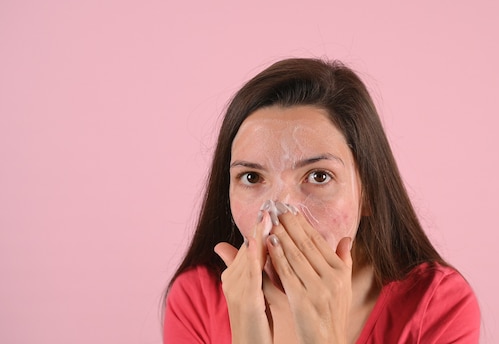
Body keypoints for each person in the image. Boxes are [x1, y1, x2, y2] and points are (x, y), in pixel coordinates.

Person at [163, 58, 480, 343]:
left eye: (318, 176)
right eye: (252, 177)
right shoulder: (196, 299)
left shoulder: (437, 304)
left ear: (367, 192)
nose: (280, 210)